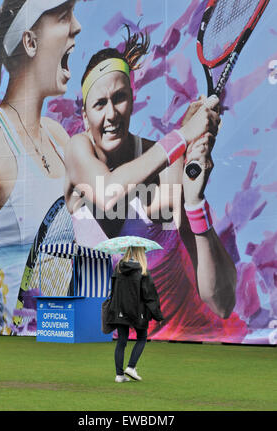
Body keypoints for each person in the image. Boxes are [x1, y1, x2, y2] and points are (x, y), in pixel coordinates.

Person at [65, 27, 240, 342]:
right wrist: (182, 136)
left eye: (119, 98)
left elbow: (222, 303)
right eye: (99, 104)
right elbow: (107, 192)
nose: (111, 113)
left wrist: (194, 200)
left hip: (176, 341)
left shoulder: (166, 164)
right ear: (84, 115)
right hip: (101, 341)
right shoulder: (79, 151)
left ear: (132, 100)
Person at [0, 0, 81, 334]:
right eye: (64, 17)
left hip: (64, 337)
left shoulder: (58, 137)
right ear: (30, 42)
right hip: (12, 347)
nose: (77, 26)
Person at [106, 246, 163, 382]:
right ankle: (131, 367)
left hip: (120, 310)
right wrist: (158, 315)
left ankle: (119, 375)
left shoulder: (118, 269)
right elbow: (150, 296)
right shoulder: (143, 271)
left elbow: (113, 291)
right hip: (139, 312)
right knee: (142, 338)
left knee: (121, 342)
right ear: (141, 253)